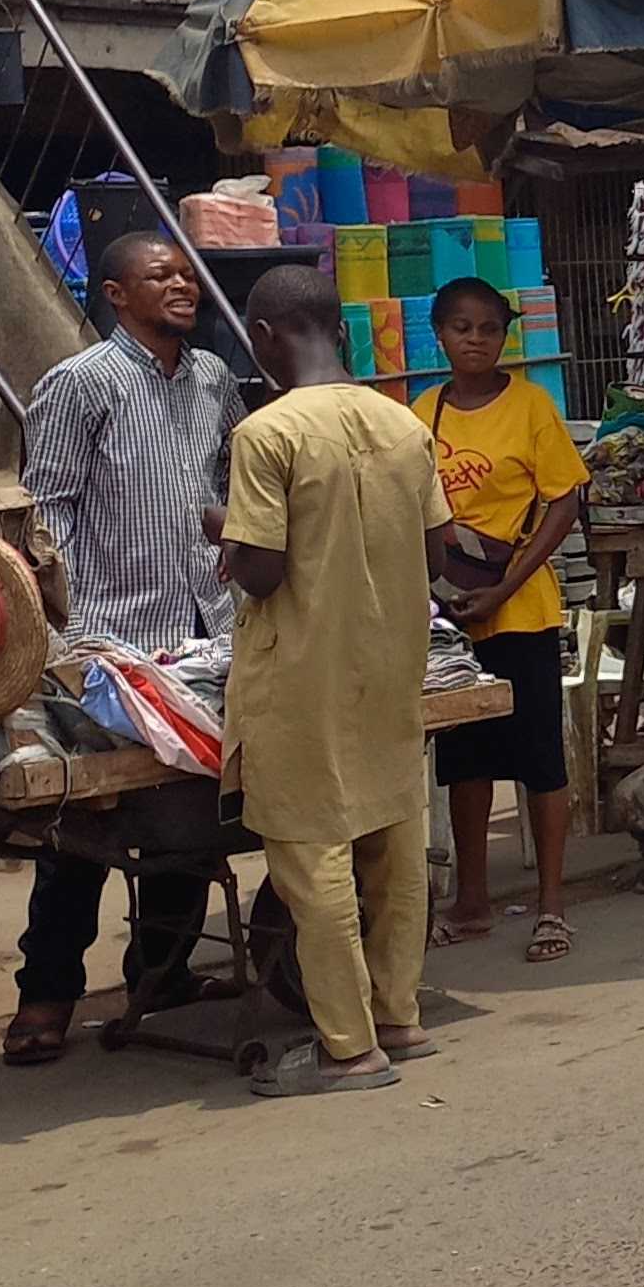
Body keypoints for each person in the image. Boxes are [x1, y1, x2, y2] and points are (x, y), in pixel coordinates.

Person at [2, 230, 248, 1068]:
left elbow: (229, 482)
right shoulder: (81, 385)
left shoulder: (214, 379)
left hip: (204, 633)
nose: (182, 285)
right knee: (85, 824)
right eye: (160, 276)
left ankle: (160, 972)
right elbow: (48, 518)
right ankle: (45, 994)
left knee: (189, 815)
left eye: (186, 273)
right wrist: (62, 636)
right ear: (116, 294)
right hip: (113, 636)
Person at [222, 263, 454, 1098]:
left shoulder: (268, 435)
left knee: (311, 851)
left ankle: (350, 1046)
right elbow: (436, 550)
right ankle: (400, 1013)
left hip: (301, 676)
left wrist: (225, 533)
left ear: (262, 339)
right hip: (390, 663)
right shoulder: (403, 426)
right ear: (342, 330)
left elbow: (260, 569)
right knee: (394, 835)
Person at [418, 278, 587, 965]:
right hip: (452, 616)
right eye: (462, 327)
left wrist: (506, 584)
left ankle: (551, 904)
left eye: (489, 328)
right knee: (465, 761)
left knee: (540, 759)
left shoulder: (531, 406)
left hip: (522, 610)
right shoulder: (422, 414)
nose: (476, 339)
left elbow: (563, 502)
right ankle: (474, 901)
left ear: (504, 337)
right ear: (441, 335)